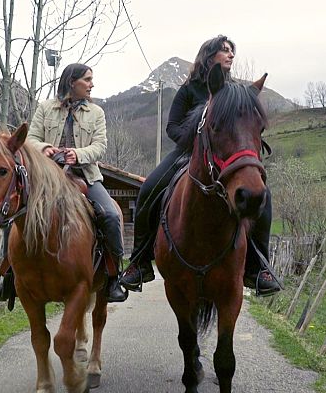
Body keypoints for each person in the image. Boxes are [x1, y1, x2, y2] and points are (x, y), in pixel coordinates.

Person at [120, 35, 282, 296]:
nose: (230, 55)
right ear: (209, 56)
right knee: (150, 186)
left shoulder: (236, 92)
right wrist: (195, 138)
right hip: (188, 153)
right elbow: (172, 127)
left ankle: (258, 267)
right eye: (225, 50)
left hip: (222, 158)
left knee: (263, 196)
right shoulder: (189, 89)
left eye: (232, 51)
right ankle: (139, 262)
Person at [0, 63, 127, 303]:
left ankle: (113, 278)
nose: (92, 84)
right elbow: (32, 139)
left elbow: (100, 146)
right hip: (47, 177)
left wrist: (77, 154)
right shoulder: (45, 108)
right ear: (72, 82)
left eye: (91, 80)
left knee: (111, 215)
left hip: (85, 176)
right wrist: (45, 148)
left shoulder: (96, 113)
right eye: (87, 80)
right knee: (16, 212)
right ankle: (7, 278)